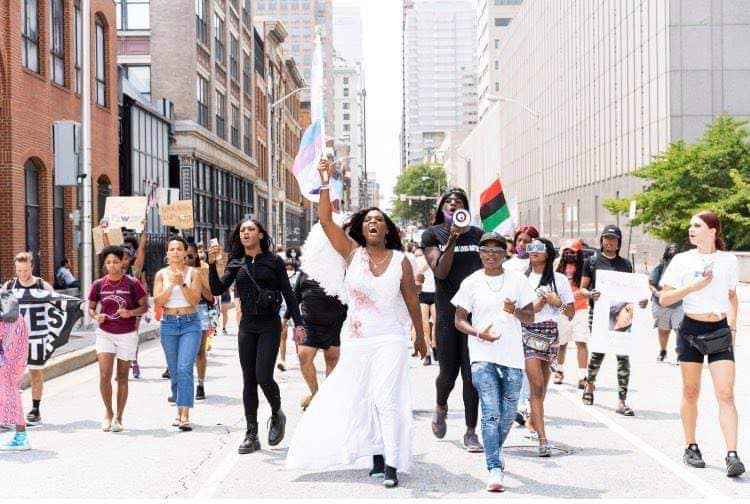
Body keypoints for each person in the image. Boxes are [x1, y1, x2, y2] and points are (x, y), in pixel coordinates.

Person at [287, 159, 427, 489]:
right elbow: (324, 220)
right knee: (362, 397)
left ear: (387, 229)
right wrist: (325, 181)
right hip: (357, 338)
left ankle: (392, 462)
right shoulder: (351, 253)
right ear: (362, 229)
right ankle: (376, 454)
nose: (373, 224)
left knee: (386, 398)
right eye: (368, 221)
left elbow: (410, 300)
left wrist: (421, 336)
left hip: (390, 338)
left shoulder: (401, 261)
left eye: (379, 220)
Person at [659, 211, 744, 477]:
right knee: (691, 392)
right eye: (690, 226)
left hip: (719, 329)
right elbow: (664, 298)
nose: (691, 230)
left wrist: (731, 325)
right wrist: (693, 288)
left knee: (726, 394)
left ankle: (732, 454)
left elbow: (732, 296)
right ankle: (691, 446)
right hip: (691, 330)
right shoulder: (682, 260)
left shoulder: (728, 260)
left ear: (713, 230)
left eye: (697, 226)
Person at [208, 219, 305, 454]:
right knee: (248, 379)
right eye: (242, 230)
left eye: (251, 229)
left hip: (269, 325)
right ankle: (251, 433)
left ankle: (276, 412)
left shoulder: (274, 261)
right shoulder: (236, 261)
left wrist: (298, 324)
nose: (246, 233)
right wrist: (212, 265)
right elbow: (217, 290)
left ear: (260, 235)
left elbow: (288, 294)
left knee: (263, 375)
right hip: (247, 326)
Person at [452, 232, 536, 492]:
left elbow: (530, 317)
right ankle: (494, 468)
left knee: (508, 414)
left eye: (496, 250)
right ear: (480, 253)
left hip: (511, 356)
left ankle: (494, 452)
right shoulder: (471, 282)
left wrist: (516, 311)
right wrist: (478, 333)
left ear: (504, 253)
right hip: (482, 354)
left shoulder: (517, 281)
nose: (491, 255)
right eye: (486, 250)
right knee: (491, 412)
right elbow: (459, 319)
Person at [421, 187, 484, 452]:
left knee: (473, 376)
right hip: (447, 313)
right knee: (448, 372)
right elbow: (441, 272)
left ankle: (471, 431)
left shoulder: (479, 235)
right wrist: (453, 240)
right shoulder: (432, 234)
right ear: (442, 208)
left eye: (459, 201)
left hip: (474, 315)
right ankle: (441, 406)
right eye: (449, 201)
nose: (454, 204)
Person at [522, 238, 574, 456]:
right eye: (529, 248)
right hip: (527, 330)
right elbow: (512, 308)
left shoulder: (559, 280)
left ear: (548, 253)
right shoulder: (520, 278)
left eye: (539, 248)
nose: (533, 252)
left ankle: (534, 420)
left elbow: (570, 312)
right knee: (536, 384)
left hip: (550, 332)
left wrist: (556, 302)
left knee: (541, 388)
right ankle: (543, 440)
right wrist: (534, 307)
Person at [88, 246, 148, 432]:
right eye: (108, 262)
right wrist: (96, 316)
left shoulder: (132, 283)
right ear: (104, 265)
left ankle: (119, 418)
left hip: (127, 334)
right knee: (104, 374)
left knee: (122, 377)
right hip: (105, 333)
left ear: (122, 262)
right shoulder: (99, 284)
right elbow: (91, 308)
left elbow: (144, 307)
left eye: (115, 261)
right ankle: (108, 412)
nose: (112, 266)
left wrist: (130, 312)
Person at [580, 225, 637, 416]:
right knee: (598, 353)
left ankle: (622, 400)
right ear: (602, 240)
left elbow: (632, 289)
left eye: (613, 239)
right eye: (606, 238)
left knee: (623, 356)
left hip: (621, 314)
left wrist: (640, 298)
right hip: (599, 314)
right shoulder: (592, 261)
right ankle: (590, 386)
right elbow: (582, 289)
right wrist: (590, 294)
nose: (610, 242)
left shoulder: (626, 264)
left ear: (619, 242)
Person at [153, 236, 203, 431]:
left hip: (190, 324)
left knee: (184, 368)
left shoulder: (193, 273)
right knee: (174, 370)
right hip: (169, 324)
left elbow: (194, 301)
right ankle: (178, 407)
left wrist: (182, 283)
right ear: (167, 253)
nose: (175, 252)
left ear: (185, 252)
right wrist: (171, 285)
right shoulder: (161, 275)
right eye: (171, 249)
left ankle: (184, 413)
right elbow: (159, 301)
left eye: (178, 249)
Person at [3, 253, 54, 425]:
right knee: (9, 375)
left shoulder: (42, 285)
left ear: (31, 267)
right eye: (18, 270)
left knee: (36, 373)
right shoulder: (10, 285)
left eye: (25, 270)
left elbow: (58, 306)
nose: (22, 274)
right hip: (15, 340)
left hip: (37, 337)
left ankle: (35, 409)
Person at [291, 268, 347, 410]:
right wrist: (286, 319)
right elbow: (295, 296)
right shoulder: (305, 271)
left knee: (332, 359)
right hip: (309, 322)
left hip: (334, 321)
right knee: (303, 356)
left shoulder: (342, 267)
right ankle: (316, 394)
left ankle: (327, 396)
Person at [555, 239, 590, 388]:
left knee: (581, 342)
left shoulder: (584, 267)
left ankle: (583, 376)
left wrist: (575, 295)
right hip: (562, 309)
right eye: (567, 251)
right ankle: (559, 371)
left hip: (580, 309)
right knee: (561, 343)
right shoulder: (558, 266)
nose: (570, 254)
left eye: (573, 252)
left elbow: (584, 290)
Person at [0, 294, 31, 450]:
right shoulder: (13, 311)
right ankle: (20, 435)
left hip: (6, 361)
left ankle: (21, 437)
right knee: (10, 393)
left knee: (10, 394)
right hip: (15, 359)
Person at [186, 242, 215, 401]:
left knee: (199, 351)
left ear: (196, 255)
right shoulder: (174, 271)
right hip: (180, 312)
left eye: (190, 256)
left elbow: (210, 297)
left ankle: (200, 384)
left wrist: (197, 278)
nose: (187, 259)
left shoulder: (203, 270)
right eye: (184, 256)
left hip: (200, 311)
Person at [649, 244, 683, 362]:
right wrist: (657, 293)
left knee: (680, 329)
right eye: (670, 253)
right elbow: (651, 283)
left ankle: (680, 354)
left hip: (679, 304)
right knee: (663, 330)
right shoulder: (661, 266)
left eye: (675, 254)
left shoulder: (684, 268)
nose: (673, 256)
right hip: (661, 304)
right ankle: (663, 351)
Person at [277, 259, 300, 372]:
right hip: (282, 309)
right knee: (282, 334)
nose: (288, 270)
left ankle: (299, 357)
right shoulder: (280, 277)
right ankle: (282, 359)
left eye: (291, 268)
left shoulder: (298, 277)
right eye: (287, 268)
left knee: (297, 335)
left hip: (296, 309)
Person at [415, 247, 437, 365]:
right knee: (424, 326)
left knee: (436, 323)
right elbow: (416, 275)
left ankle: (434, 344)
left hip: (435, 293)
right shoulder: (419, 260)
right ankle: (427, 354)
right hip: (423, 294)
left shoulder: (437, 258)